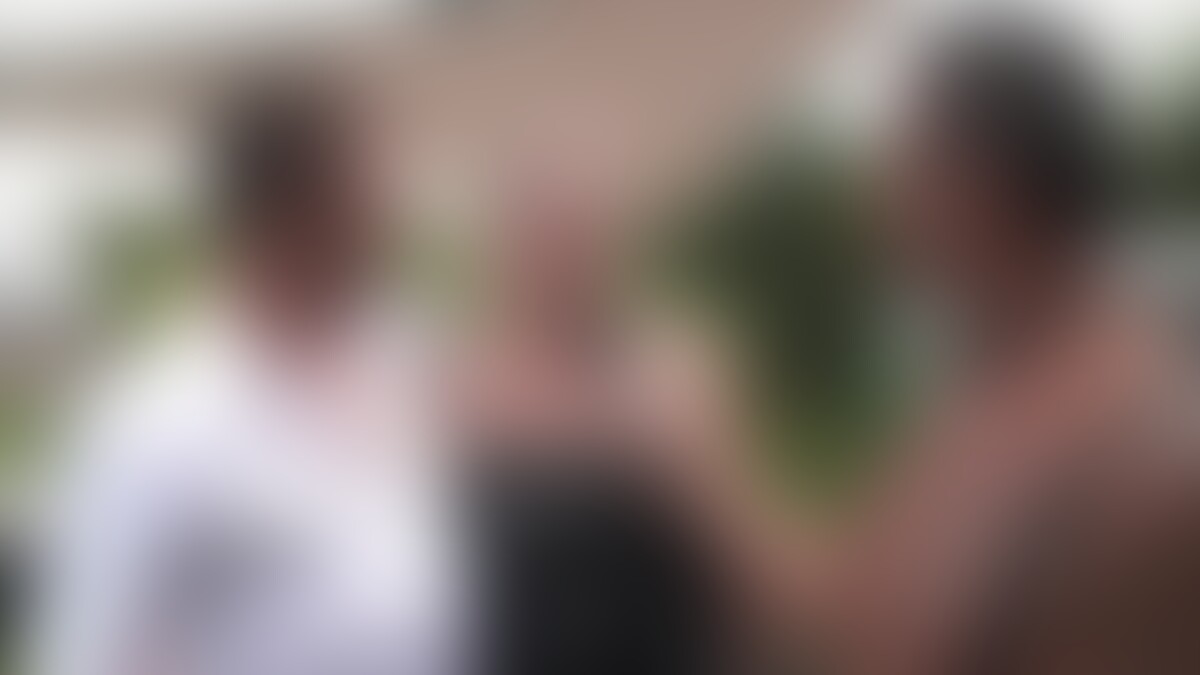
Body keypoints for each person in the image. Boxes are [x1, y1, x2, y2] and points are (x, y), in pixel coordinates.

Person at [784, 23, 1200, 675]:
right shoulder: (979, 389)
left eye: (906, 165)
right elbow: (853, 598)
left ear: (986, 185)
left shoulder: (1147, 447)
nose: (875, 204)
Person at [31, 74, 475, 675]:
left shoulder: (405, 357)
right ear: (287, 215)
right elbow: (96, 649)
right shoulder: (158, 420)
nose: (390, 218)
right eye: (365, 196)